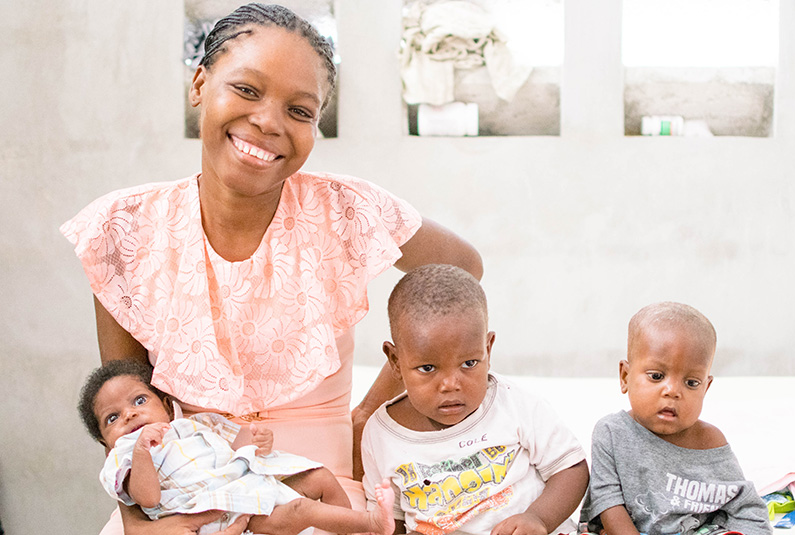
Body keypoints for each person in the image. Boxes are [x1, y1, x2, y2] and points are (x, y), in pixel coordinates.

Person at [60, 3, 482, 534]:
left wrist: (372, 412)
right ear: (199, 84)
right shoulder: (124, 231)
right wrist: (137, 524)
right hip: (190, 508)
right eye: (247, 90)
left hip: (322, 498)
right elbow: (125, 420)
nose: (268, 122)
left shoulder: (344, 211)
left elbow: (463, 267)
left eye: (300, 111)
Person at [361, 264, 589, 535]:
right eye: (428, 368)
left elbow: (571, 468)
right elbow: (388, 519)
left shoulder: (513, 403)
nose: (450, 384)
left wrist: (538, 518)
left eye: (469, 363)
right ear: (395, 360)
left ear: (488, 349)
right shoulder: (380, 436)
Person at [78, 360, 396, 535]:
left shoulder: (187, 427)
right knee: (302, 509)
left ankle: (345, 528)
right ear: (106, 442)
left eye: (139, 400)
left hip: (244, 483)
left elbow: (230, 448)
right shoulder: (124, 458)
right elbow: (147, 497)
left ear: (165, 405)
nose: (130, 414)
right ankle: (370, 523)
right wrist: (141, 453)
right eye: (112, 418)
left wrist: (260, 444)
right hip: (216, 512)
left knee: (321, 478)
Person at [579, 302, 772, 535]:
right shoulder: (612, 432)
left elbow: (745, 507)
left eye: (691, 383)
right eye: (657, 376)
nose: (672, 391)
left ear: (706, 388)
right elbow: (607, 502)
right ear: (625, 376)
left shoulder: (709, 441)